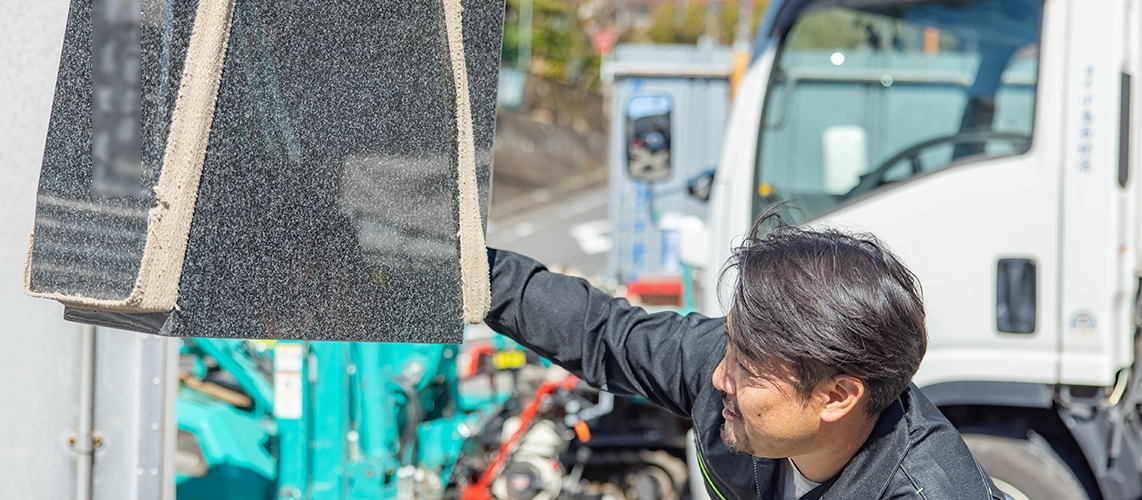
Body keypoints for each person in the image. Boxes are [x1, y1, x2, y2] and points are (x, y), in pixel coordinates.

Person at [483, 208, 1006, 499]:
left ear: (837, 396)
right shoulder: (735, 366)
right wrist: (471, 272)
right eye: (731, 342)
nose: (717, 377)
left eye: (747, 368)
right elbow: (604, 332)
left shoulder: (928, 490)